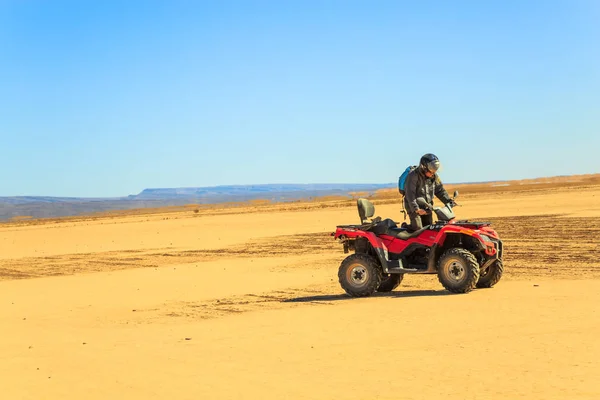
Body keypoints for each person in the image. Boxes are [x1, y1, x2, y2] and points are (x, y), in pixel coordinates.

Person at [403, 153, 454, 231]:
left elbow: (440, 190)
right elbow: (410, 194)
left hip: (427, 206)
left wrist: (448, 201)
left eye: (435, 170)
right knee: (418, 228)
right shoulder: (413, 176)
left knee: (429, 228)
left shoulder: (434, 176)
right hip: (412, 205)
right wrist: (416, 209)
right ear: (424, 167)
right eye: (431, 170)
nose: (433, 173)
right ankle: (405, 228)